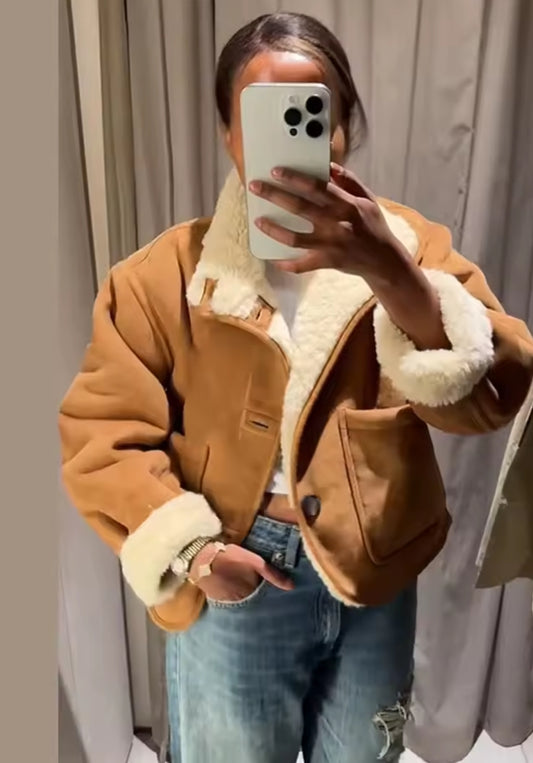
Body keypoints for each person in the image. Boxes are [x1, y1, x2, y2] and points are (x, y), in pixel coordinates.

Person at [59, 12, 533, 763]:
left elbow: (495, 394)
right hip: (236, 562)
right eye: (262, 116)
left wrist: (392, 273)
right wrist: (196, 554)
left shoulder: (412, 252)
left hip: (373, 567)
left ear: (343, 129)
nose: (291, 139)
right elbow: (101, 437)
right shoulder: (162, 279)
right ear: (228, 132)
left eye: (314, 115)